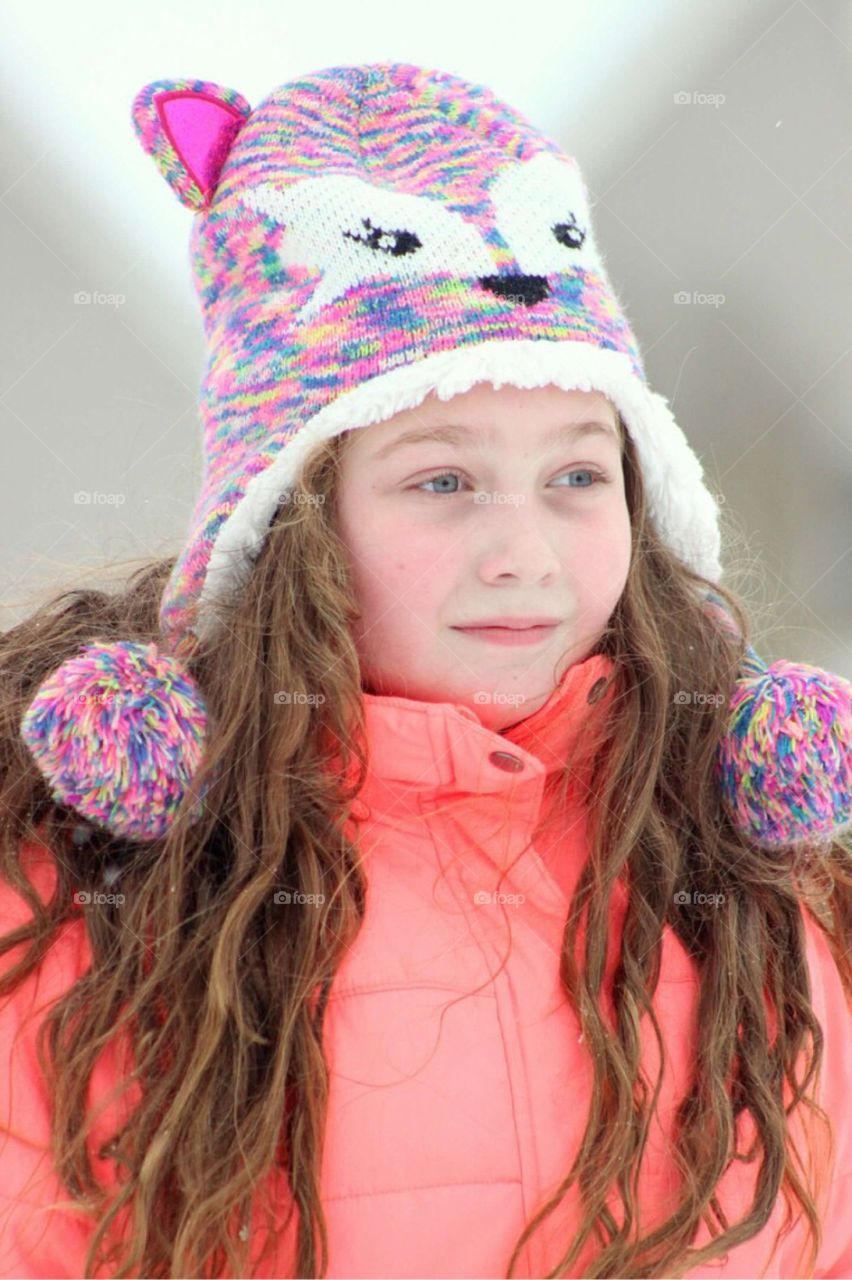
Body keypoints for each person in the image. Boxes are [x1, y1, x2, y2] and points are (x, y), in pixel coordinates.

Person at [0, 61, 850, 1280]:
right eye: (442, 481)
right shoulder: (107, 908)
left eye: (576, 476)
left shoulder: (742, 881)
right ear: (295, 521)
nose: (524, 554)